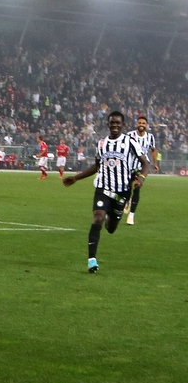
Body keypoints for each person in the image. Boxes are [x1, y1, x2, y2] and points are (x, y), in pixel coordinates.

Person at [62, 111, 151, 274]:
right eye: (112, 123)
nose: (115, 125)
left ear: (122, 125)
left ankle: (112, 214)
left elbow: (145, 163)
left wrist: (141, 178)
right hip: (103, 188)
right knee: (98, 218)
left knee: (110, 228)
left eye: (118, 123)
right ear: (108, 124)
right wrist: (76, 178)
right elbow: (96, 166)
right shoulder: (102, 144)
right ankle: (91, 260)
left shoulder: (130, 142)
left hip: (122, 191)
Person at [126, 115, 160, 225]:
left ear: (147, 125)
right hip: (129, 166)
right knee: (127, 187)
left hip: (143, 167)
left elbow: (153, 150)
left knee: (137, 187)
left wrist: (155, 163)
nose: (141, 125)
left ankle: (131, 215)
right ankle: (127, 200)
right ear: (137, 124)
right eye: (140, 123)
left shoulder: (150, 137)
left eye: (143, 123)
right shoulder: (130, 135)